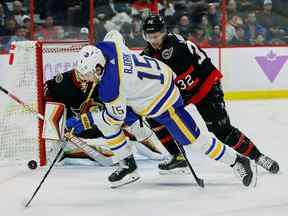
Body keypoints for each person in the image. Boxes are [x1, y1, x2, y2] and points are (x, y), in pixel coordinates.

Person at [66, 39, 257, 188]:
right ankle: (127, 164)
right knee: (118, 118)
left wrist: (86, 119)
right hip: (154, 81)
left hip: (165, 102)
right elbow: (114, 38)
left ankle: (237, 161)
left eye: (88, 74)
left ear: (99, 68)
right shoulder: (106, 48)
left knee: (197, 142)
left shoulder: (110, 88)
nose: (86, 79)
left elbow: (113, 118)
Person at [141, 14, 279, 174]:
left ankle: (259, 157)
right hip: (186, 89)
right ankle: (177, 157)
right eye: (149, 36)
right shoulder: (149, 53)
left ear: (163, 32)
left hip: (206, 86)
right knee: (154, 115)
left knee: (222, 131)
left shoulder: (174, 48)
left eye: (156, 36)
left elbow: (186, 83)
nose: (153, 40)